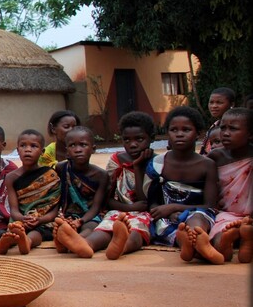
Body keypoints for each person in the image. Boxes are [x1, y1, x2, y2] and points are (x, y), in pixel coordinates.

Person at [146, 106, 220, 263]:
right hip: (167, 218)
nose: (179, 134)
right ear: (167, 134)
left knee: (197, 218)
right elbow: (152, 201)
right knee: (169, 228)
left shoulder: (207, 165)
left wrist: (174, 207)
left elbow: (209, 204)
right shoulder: (158, 163)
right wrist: (167, 212)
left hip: (198, 212)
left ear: (198, 133)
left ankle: (197, 240)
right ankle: (188, 244)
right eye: (174, 130)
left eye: (186, 129)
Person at [87, 112, 156, 259]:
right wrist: (129, 208)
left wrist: (137, 167)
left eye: (139, 139)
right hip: (118, 210)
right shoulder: (116, 160)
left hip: (145, 214)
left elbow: (145, 202)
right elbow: (107, 197)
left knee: (137, 231)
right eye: (126, 140)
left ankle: (121, 247)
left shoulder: (156, 163)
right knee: (105, 228)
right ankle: (87, 245)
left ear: (152, 138)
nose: (133, 144)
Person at [0, 130, 61, 255]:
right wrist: (23, 218)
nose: (28, 150)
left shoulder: (50, 175)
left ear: (42, 152)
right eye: (23, 146)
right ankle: (7, 242)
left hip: (44, 220)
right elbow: (14, 209)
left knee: (40, 231)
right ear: (17, 150)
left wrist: (41, 219)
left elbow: (54, 207)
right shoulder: (11, 177)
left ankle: (28, 242)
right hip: (21, 219)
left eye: (33, 146)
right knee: (11, 230)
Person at [52, 127, 109, 258]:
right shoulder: (61, 168)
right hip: (67, 215)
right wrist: (62, 217)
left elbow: (96, 206)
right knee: (57, 226)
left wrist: (81, 221)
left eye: (83, 145)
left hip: (89, 216)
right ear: (66, 151)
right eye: (72, 145)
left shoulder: (101, 175)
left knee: (90, 228)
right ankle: (66, 238)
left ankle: (73, 240)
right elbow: (57, 196)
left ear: (93, 148)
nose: (78, 149)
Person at [206, 107, 253, 263]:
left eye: (233, 129)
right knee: (218, 238)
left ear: (250, 134)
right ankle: (230, 241)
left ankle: (246, 239)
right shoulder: (215, 156)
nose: (225, 133)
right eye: (223, 128)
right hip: (228, 215)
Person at [199, 87, 235, 155]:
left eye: (219, 103)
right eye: (211, 102)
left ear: (232, 105)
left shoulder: (235, 127)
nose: (214, 106)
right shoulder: (215, 125)